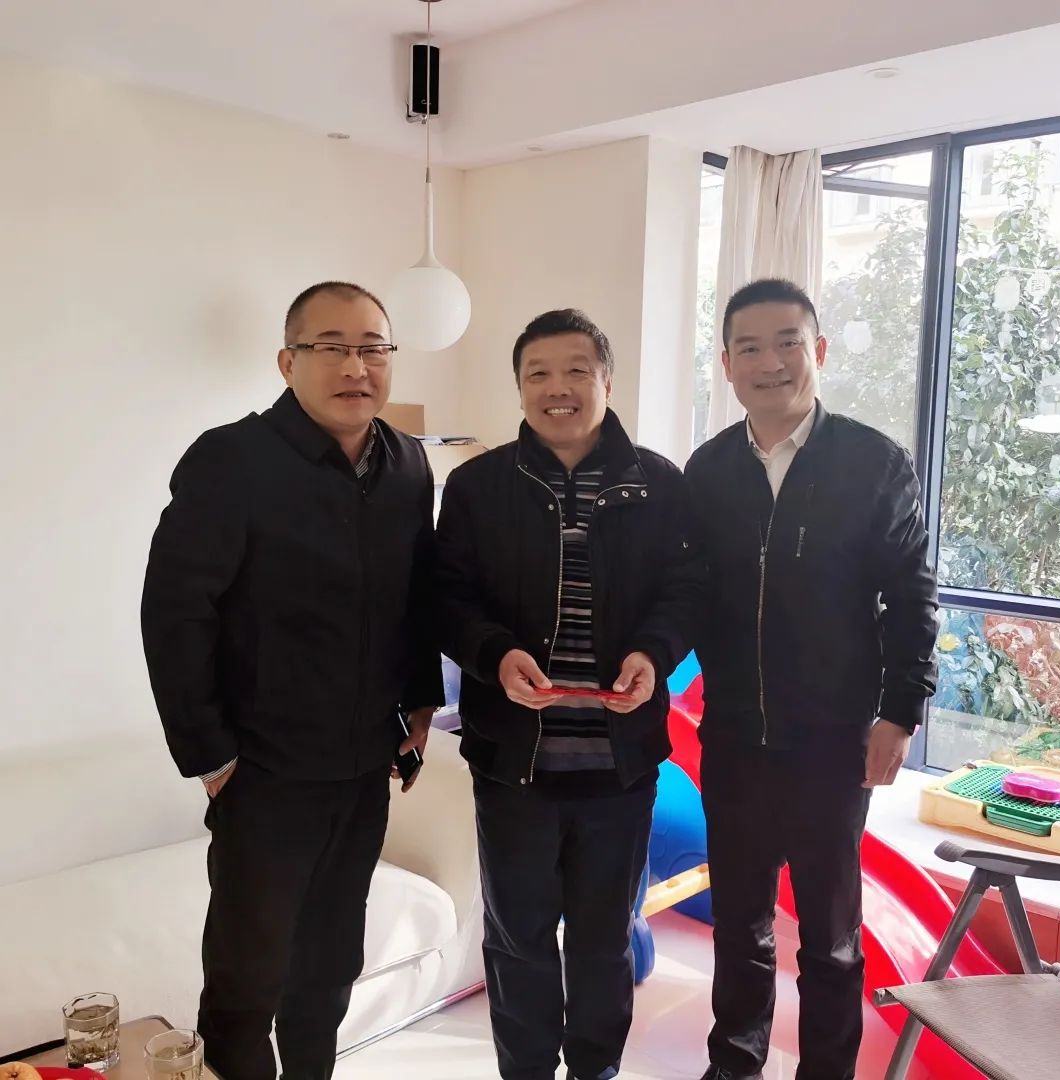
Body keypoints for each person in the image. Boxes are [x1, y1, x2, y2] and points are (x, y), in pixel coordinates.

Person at [141, 281, 444, 1080]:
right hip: (265, 773)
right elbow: (174, 614)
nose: (356, 367)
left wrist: (420, 701)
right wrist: (211, 757)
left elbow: (417, 593)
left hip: (363, 768)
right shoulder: (231, 461)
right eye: (331, 347)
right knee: (246, 984)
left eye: (373, 348)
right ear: (288, 361)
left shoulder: (408, 462)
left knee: (330, 970)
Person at [435, 309, 702, 1080]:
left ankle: (595, 1071)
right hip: (513, 764)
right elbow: (445, 598)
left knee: (604, 941)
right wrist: (495, 655)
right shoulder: (478, 486)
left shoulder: (660, 484)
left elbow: (687, 592)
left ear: (606, 380)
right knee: (517, 939)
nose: (558, 388)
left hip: (620, 764)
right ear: (519, 388)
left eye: (577, 370)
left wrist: (653, 654)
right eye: (539, 374)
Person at [685, 279, 938, 1080]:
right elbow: (688, 593)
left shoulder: (872, 463)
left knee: (829, 938)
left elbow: (911, 596)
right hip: (733, 738)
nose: (771, 363)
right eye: (750, 348)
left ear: (818, 350)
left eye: (788, 342)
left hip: (832, 744)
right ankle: (735, 1064)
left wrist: (899, 711)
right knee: (739, 926)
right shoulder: (708, 470)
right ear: (727, 364)